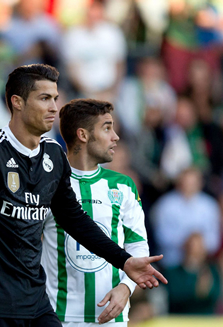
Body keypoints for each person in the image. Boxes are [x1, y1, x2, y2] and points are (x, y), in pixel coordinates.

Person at [0, 64, 167, 327]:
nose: (54, 107)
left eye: (55, 98)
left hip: (35, 305)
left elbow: (74, 219)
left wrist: (123, 261)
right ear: (17, 102)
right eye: (45, 98)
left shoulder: (54, 155)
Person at [41, 98, 149, 326]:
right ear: (83, 135)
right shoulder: (47, 184)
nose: (115, 137)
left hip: (112, 316)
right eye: (107, 128)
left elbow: (137, 244)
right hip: (57, 317)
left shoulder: (123, 185)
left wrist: (126, 288)